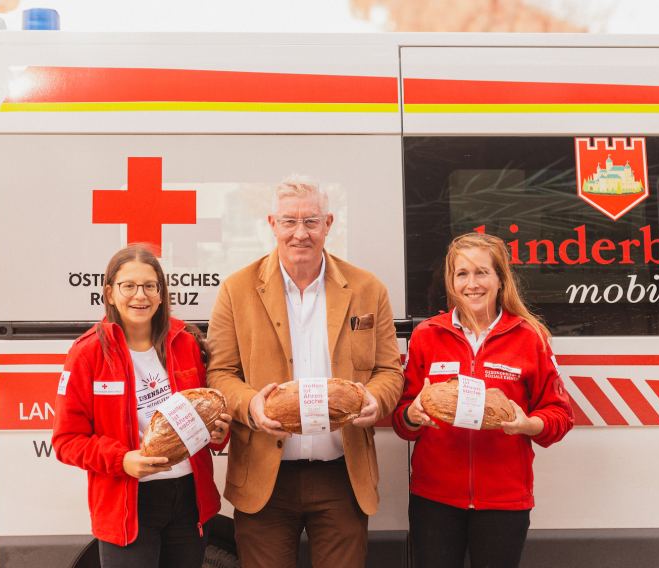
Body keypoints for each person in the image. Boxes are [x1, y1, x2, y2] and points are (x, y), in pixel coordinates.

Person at [206, 176, 403, 568]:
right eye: (289, 221)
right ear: (272, 224)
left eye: (311, 221)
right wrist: (251, 406)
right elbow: (220, 373)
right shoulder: (237, 289)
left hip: (341, 475)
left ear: (329, 224)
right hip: (265, 474)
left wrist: (373, 398)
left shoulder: (368, 289)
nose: (300, 233)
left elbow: (389, 372)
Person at [393, 232, 574, 568]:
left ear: (500, 279)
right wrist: (413, 416)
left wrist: (527, 424)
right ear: (451, 281)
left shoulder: (530, 337)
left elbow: (560, 416)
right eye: (462, 274)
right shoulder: (427, 336)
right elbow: (402, 421)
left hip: (504, 502)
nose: (471, 284)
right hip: (434, 499)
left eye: (481, 273)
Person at [52, 244, 232, 568]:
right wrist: (122, 460)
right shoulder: (87, 353)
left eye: (150, 286)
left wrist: (219, 430)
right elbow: (66, 442)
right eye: (129, 286)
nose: (140, 296)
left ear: (161, 293)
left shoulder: (184, 342)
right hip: (128, 503)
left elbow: (206, 416)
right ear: (109, 293)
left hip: (188, 499)